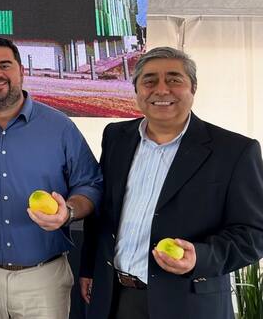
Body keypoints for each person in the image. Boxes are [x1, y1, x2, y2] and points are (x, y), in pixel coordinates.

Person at [79, 47, 263, 319]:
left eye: (174, 79)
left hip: (188, 303)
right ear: (137, 90)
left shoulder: (234, 151)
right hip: (116, 298)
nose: (161, 89)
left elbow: (254, 233)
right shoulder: (117, 136)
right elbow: (102, 212)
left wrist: (200, 257)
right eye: (149, 81)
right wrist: (88, 269)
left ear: (193, 88)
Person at [0, 36, 102, 319]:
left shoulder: (59, 127)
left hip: (43, 280)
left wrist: (69, 212)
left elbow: (91, 184)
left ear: (22, 71)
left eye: (4, 65)